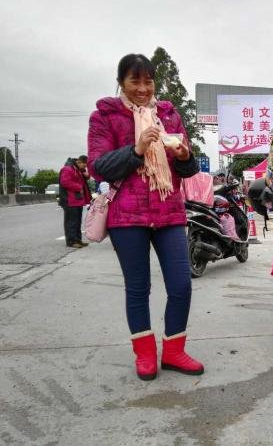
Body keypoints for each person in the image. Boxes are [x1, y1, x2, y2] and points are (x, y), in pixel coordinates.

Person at [87, 53, 202, 381]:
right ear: (121, 82)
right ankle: (146, 355)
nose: (143, 88)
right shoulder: (105, 116)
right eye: (134, 81)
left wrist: (184, 155)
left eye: (148, 81)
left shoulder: (168, 114)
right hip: (127, 216)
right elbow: (98, 165)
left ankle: (175, 351)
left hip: (169, 211)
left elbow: (189, 168)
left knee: (181, 285)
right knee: (138, 288)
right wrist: (136, 150)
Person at [58, 155, 91, 248]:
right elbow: (65, 182)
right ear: (79, 162)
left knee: (77, 221)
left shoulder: (78, 170)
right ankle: (71, 241)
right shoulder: (67, 169)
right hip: (69, 200)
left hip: (78, 200)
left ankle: (78, 240)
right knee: (71, 222)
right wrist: (78, 187)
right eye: (84, 166)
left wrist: (86, 174)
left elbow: (85, 178)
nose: (85, 168)